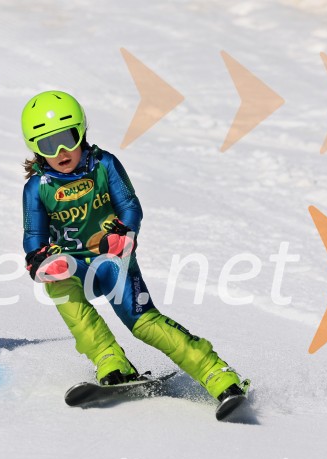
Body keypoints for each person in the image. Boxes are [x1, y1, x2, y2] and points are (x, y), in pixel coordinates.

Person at [20, 90, 246, 403]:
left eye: (67, 138)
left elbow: (130, 206)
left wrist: (125, 233)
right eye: (47, 144)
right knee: (58, 285)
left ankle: (217, 373)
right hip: (74, 265)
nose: (60, 151)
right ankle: (110, 361)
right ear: (34, 147)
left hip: (113, 259)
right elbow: (34, 234)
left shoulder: (104, 165)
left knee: (143, 323)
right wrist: (37, 258)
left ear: (81, 132)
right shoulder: (38, 187)